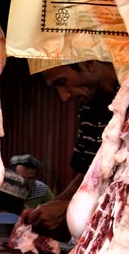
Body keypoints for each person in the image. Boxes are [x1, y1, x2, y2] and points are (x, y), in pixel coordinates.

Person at [24, 60, 118, 236]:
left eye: (62, 82)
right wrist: (53, 206)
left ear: (88, 64)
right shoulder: (88, 105)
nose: (64, 96)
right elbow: (87, 172)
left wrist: (68, 209)